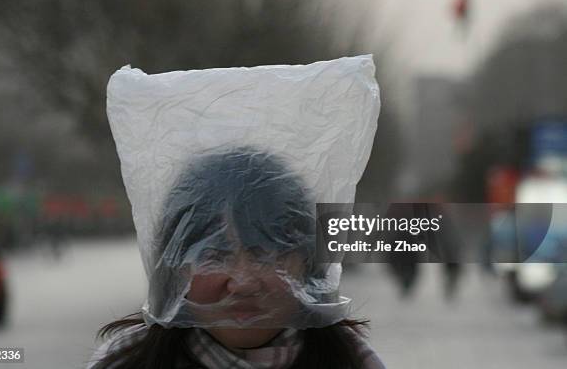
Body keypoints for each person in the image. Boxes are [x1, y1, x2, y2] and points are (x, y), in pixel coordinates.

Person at [87, 149, 385, 369]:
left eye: (266, 255)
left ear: (307, 264)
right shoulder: (124, 364)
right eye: (214, 256)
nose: (242, 282)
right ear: (174, 266)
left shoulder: (354, 363)